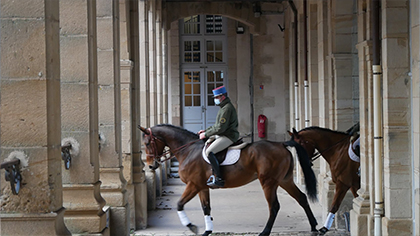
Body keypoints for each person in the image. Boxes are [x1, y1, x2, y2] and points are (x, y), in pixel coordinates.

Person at [198, 85, 239, 188]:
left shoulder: (226, 109)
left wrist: (206, 134)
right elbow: (217, 126)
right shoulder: (223, 107)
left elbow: (221, 128)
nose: (215, 99)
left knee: (209, 152)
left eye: (217, 97)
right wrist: (206, 131)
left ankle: (219, 178)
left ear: (222, 97)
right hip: (222, 134)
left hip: (228, 136)